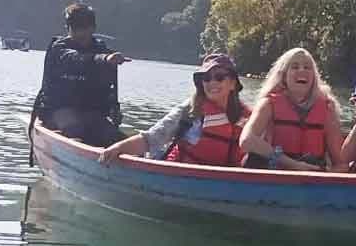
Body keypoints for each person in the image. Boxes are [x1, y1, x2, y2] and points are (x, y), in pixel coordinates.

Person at [96, 54, 250, 167]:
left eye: (219, 77)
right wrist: (118, 148)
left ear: (233, 84)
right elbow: (151, 139)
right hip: (179, 174)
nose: (212, 82)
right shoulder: (189, 110)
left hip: (223, 180)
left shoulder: (249, 117)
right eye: (206, 78)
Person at [33, 3, 129, 147]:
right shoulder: (59, 49)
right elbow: (75, 58)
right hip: (58, 111)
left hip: (91, 114)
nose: (80, 34)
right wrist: (103, 59)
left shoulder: (103, 50)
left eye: (85, 28)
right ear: (68, 28)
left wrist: (113, 109)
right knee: (75, 129)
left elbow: (109, 90)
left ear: (93, 28)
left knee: (119, 140)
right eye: (76, 29)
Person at [238, 47, 346, 172]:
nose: (302, 70)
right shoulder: (268, 104)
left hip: (311, 182)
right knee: (252, 160)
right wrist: (292, 164)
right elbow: (246, 140)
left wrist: (321, 178)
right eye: (295, 67)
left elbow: (341, 164)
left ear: (313, 78)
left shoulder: (327, 109)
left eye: (307, 67)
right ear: (284, 76)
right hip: (275, 176)